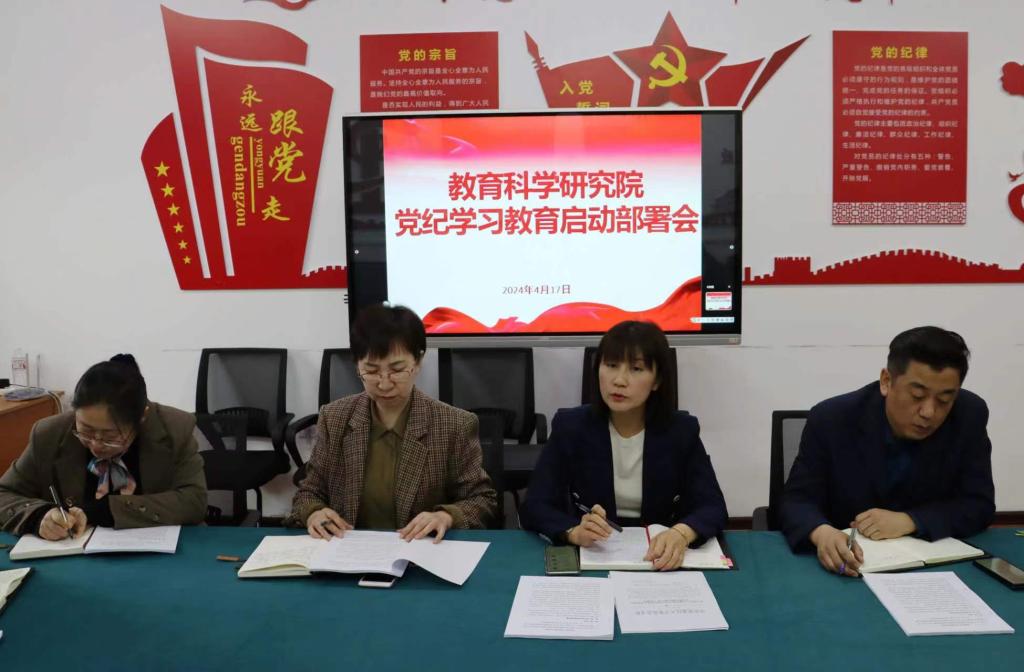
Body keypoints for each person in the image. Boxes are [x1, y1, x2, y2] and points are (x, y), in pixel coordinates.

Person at [781, 326, 995, 576]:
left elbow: (978, 504)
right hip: (848, 568)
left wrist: (911, 520)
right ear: (886, 381)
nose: (929, 412)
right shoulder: (832, 419)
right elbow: (796, 500)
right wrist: (821, 533)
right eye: (917, 395)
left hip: (932, 569)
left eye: (944, 400)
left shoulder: (969, 415)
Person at [520, 321, 728, 570]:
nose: (619, 380)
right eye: (611, 365)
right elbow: (535, 504)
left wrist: (680, 533)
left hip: (658, 561)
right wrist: (573, 531)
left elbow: (712, 506)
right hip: (595, 556)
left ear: (657, 380)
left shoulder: (681, 431)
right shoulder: (571, 427)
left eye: (636, 369)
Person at [288, 304, 497, 541]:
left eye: (397, 370)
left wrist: (446, 516)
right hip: (349, 551)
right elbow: (309, 493)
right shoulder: (335, 418)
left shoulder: (453, 424)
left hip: (420, 551)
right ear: (357, 365)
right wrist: (314, 512)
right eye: (371, 371)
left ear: (418, 362)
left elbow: (482, 500)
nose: (384, 384)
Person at [0, 354, 208, 538]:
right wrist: (38, 515)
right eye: (85, 431)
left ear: (142, 417)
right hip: (73, 555)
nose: (96, 445)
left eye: (111, 436)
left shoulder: (174, 429)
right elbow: (4, 494)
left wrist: (107, 510)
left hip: (158, 555)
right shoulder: (49, 434)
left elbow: (193, 501)